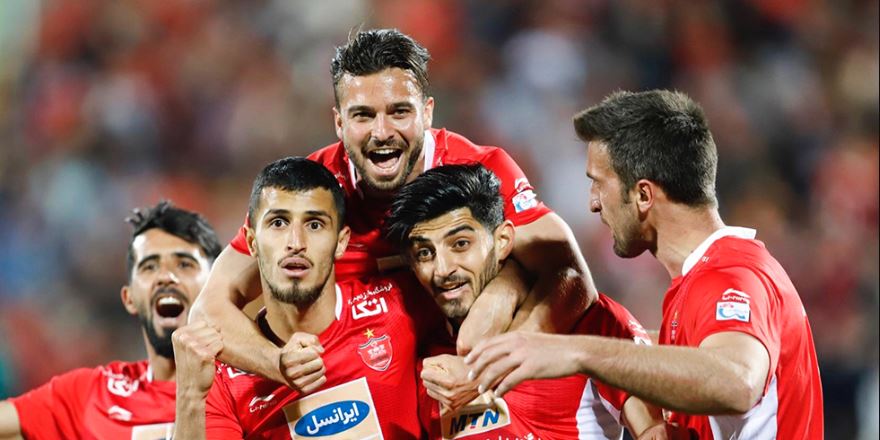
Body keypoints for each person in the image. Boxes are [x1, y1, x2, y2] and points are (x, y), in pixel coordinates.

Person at [191, 28, 598, 385]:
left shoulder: (482, 171)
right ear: (339, 123)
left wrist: (490, 363)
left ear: (427, 112)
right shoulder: (310, 194)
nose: (382, 132)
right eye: (363, 116)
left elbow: (571, 276)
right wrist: (277, 364)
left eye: (399, 112)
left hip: (464, 389)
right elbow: (208, 309)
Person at [465, 90, 824, 439]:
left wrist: (578, 353)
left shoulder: (731, 275)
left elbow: (738, 381)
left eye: (598, 184)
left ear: (642, 194)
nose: (593, 203)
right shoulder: (700, 281)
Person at [384, 163, 664, 440]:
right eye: (424, 253)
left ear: (503, 240)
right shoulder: (427, 363)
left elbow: (655, 431)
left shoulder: (588, 324)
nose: (443, 269)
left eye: (460, 244)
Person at [172, 157, 441, 439]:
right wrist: (190, 397)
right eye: (278, 223)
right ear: (251, 242)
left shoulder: (403, 305)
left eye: (314, 225)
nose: (296, 243)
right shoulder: (222, 377)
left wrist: (465, 369)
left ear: (341, 242)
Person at [0, 201, 221, 439]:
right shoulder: (91, 395)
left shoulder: (245, 391)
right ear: (129, 298)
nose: (166, 276)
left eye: (185, 264)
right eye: (149, 266)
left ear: (215, 288)